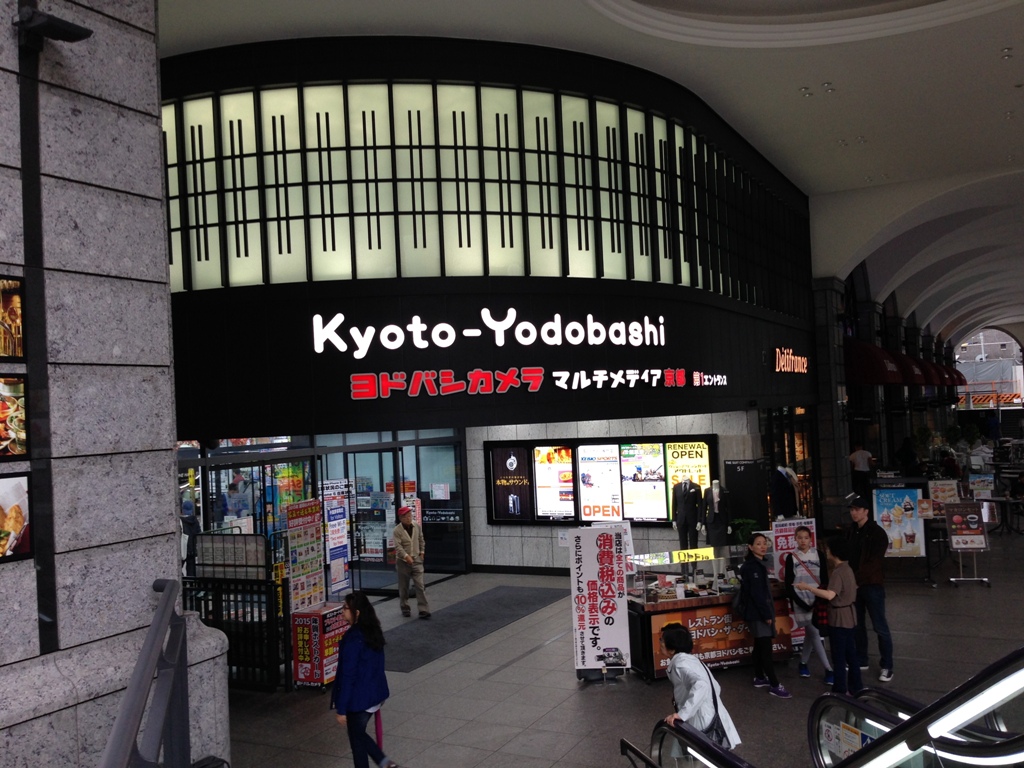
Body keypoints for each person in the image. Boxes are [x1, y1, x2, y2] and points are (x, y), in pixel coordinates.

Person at [331, 592, 401, 768]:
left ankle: (385, 762)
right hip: (375, 694)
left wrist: (341, 708)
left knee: (357, 736)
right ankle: (384, 762)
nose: (342, 612)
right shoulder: (373, 631)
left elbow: (348, 675)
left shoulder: (353, 639)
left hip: (359, 699)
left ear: (357, 613)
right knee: (357, 739)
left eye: (345, 608)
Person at [795, 535, 862, 696]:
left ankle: (840, 689)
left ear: (834, 552)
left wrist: (808, 588)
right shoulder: (848, 569)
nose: (826, 552)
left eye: (828, 549)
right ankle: (856, 687)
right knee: (851, 655)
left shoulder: (838, 572)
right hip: (850, 616)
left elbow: (830, 595)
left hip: (839, 618)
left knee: (838, 657)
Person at [660, 623, 741, 750]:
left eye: (662, 640)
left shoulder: (680, 664)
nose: (660, 643)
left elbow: (702, 685)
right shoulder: (693, 660)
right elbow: (716, 687)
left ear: (672, 648)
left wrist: (683, 714)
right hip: (713, 715)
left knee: (698, 756)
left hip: (701, 721)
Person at [846, 495, 894, 682]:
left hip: (872, 585)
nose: (854, 513)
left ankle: (887, 665)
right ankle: (861, 659)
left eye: (857, 509)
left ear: (866, 511)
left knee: (880, 626)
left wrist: (856, 580)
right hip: (855, 585)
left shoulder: (877, 533)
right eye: (852, 510)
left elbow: (875, 562)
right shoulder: (851, 531)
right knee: (857, 625)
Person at [739, 532, 791, 698]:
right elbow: (757, 594)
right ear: (750, 547)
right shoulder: (752, 567)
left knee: (759, 645)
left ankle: (760, 677)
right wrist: (766, 614)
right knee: (766, 649)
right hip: (758, 613)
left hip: (757, 612)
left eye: (764, 543)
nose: (763, 546)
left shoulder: (758, 564)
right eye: (758, 543)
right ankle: (774, 684)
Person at [783, 526, 834, 684]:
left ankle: (803, 663)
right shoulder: (791, 557)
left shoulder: (818, 554)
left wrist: (822, 597)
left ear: (811, 539)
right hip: (801, 601)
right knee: (814, 632)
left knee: (811, 633)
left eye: (806, 537)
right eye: (800, 537)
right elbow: (788, 584)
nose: (803, 541)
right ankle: (828, 669)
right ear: (795, 539)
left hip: (817, 599)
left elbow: (824, 579)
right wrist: (800, 603)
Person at [393, 506, 430, 618]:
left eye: (410, 516)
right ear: (401, 518)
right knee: (404, 587)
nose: (409, 518)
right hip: (403, 562)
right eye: (406, 517)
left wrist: (422, 552)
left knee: (420, 585)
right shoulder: (397, 530)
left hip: (417, 559)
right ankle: (405, 607)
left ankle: (423, 609)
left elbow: (421, 539)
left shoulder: (416, 526)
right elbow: (398, 547)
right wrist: (406, 556)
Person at [672, 476, 702, 550]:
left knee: (694, 543)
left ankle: (694, 558)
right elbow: (674, 504)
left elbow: (700, 505)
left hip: (693, 519)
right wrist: (674, 520)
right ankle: (683, 558)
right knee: (682, 544)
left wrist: (699, 520)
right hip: (681, 518)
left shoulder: (696, 487)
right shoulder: (676, 487)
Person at [701, 480, 731, 547]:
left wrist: (729, 524)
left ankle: (722, 553)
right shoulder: (707, 491)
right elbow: (704, 508)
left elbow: (728, 508)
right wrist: (703, 523)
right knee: (713, 541)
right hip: (711, 520)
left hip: (722, 519)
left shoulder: (724, 491)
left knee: (722, 541)